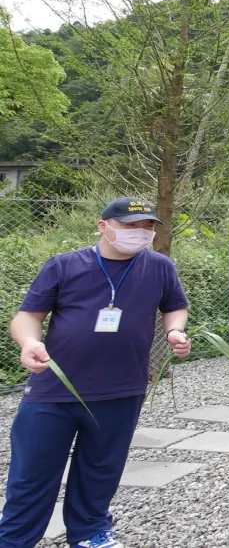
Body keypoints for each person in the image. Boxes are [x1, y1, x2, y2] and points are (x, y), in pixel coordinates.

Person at [0, 197, 191, 548]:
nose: (141, 233)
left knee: (101, 469)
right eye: (131, 226)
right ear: (104, 227)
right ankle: (14, 540)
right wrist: (28, 342)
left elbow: (175, 305)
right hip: (54, 391)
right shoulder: (64, 265)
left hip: (122, 389)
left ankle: (90, 533)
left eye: (147, 226)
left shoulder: (160, 267)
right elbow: (28, 315)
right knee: (32, 473)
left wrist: (174, 331)